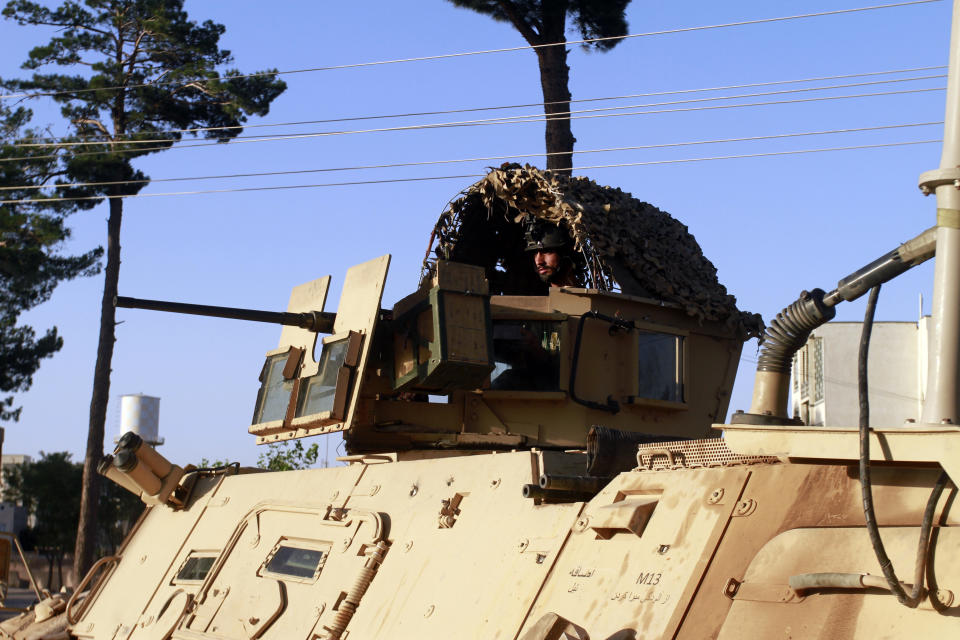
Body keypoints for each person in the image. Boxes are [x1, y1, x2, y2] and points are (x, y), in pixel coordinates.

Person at [523, 216, 579, 287]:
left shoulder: (594, 297)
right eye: (535, 253)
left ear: (565, 253)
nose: (538, 262)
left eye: (547, 251)